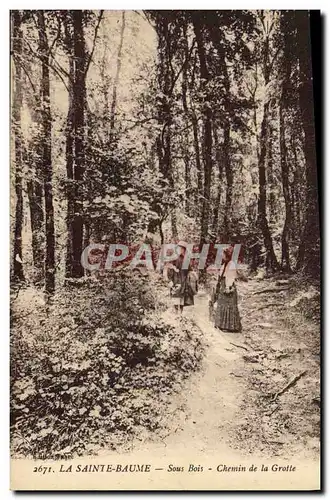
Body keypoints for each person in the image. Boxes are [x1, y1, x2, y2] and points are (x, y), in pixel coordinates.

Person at [212, 246, 242, 332]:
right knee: (222, 304)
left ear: (227, 255)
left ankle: (230, 326)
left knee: (228, 305)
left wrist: (228, 287)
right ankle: (222, 324)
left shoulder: (231, 264)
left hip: (227, 285)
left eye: (223, 254)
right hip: (223, 284)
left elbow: (231, 276)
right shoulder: (225, 264)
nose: (222, 256)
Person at [164, 241, 198, 314]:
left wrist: (193, 275)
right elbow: (169, 268)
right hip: (175, 280)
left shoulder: (186, 259)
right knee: (176, 298)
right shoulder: (174, 258)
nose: (180, 250)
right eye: (179, 248)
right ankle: (176, 314)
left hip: (183, 281)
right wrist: (170, 280)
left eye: (182, 249)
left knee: (182, 299)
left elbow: (189, 270)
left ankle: (180, 314)